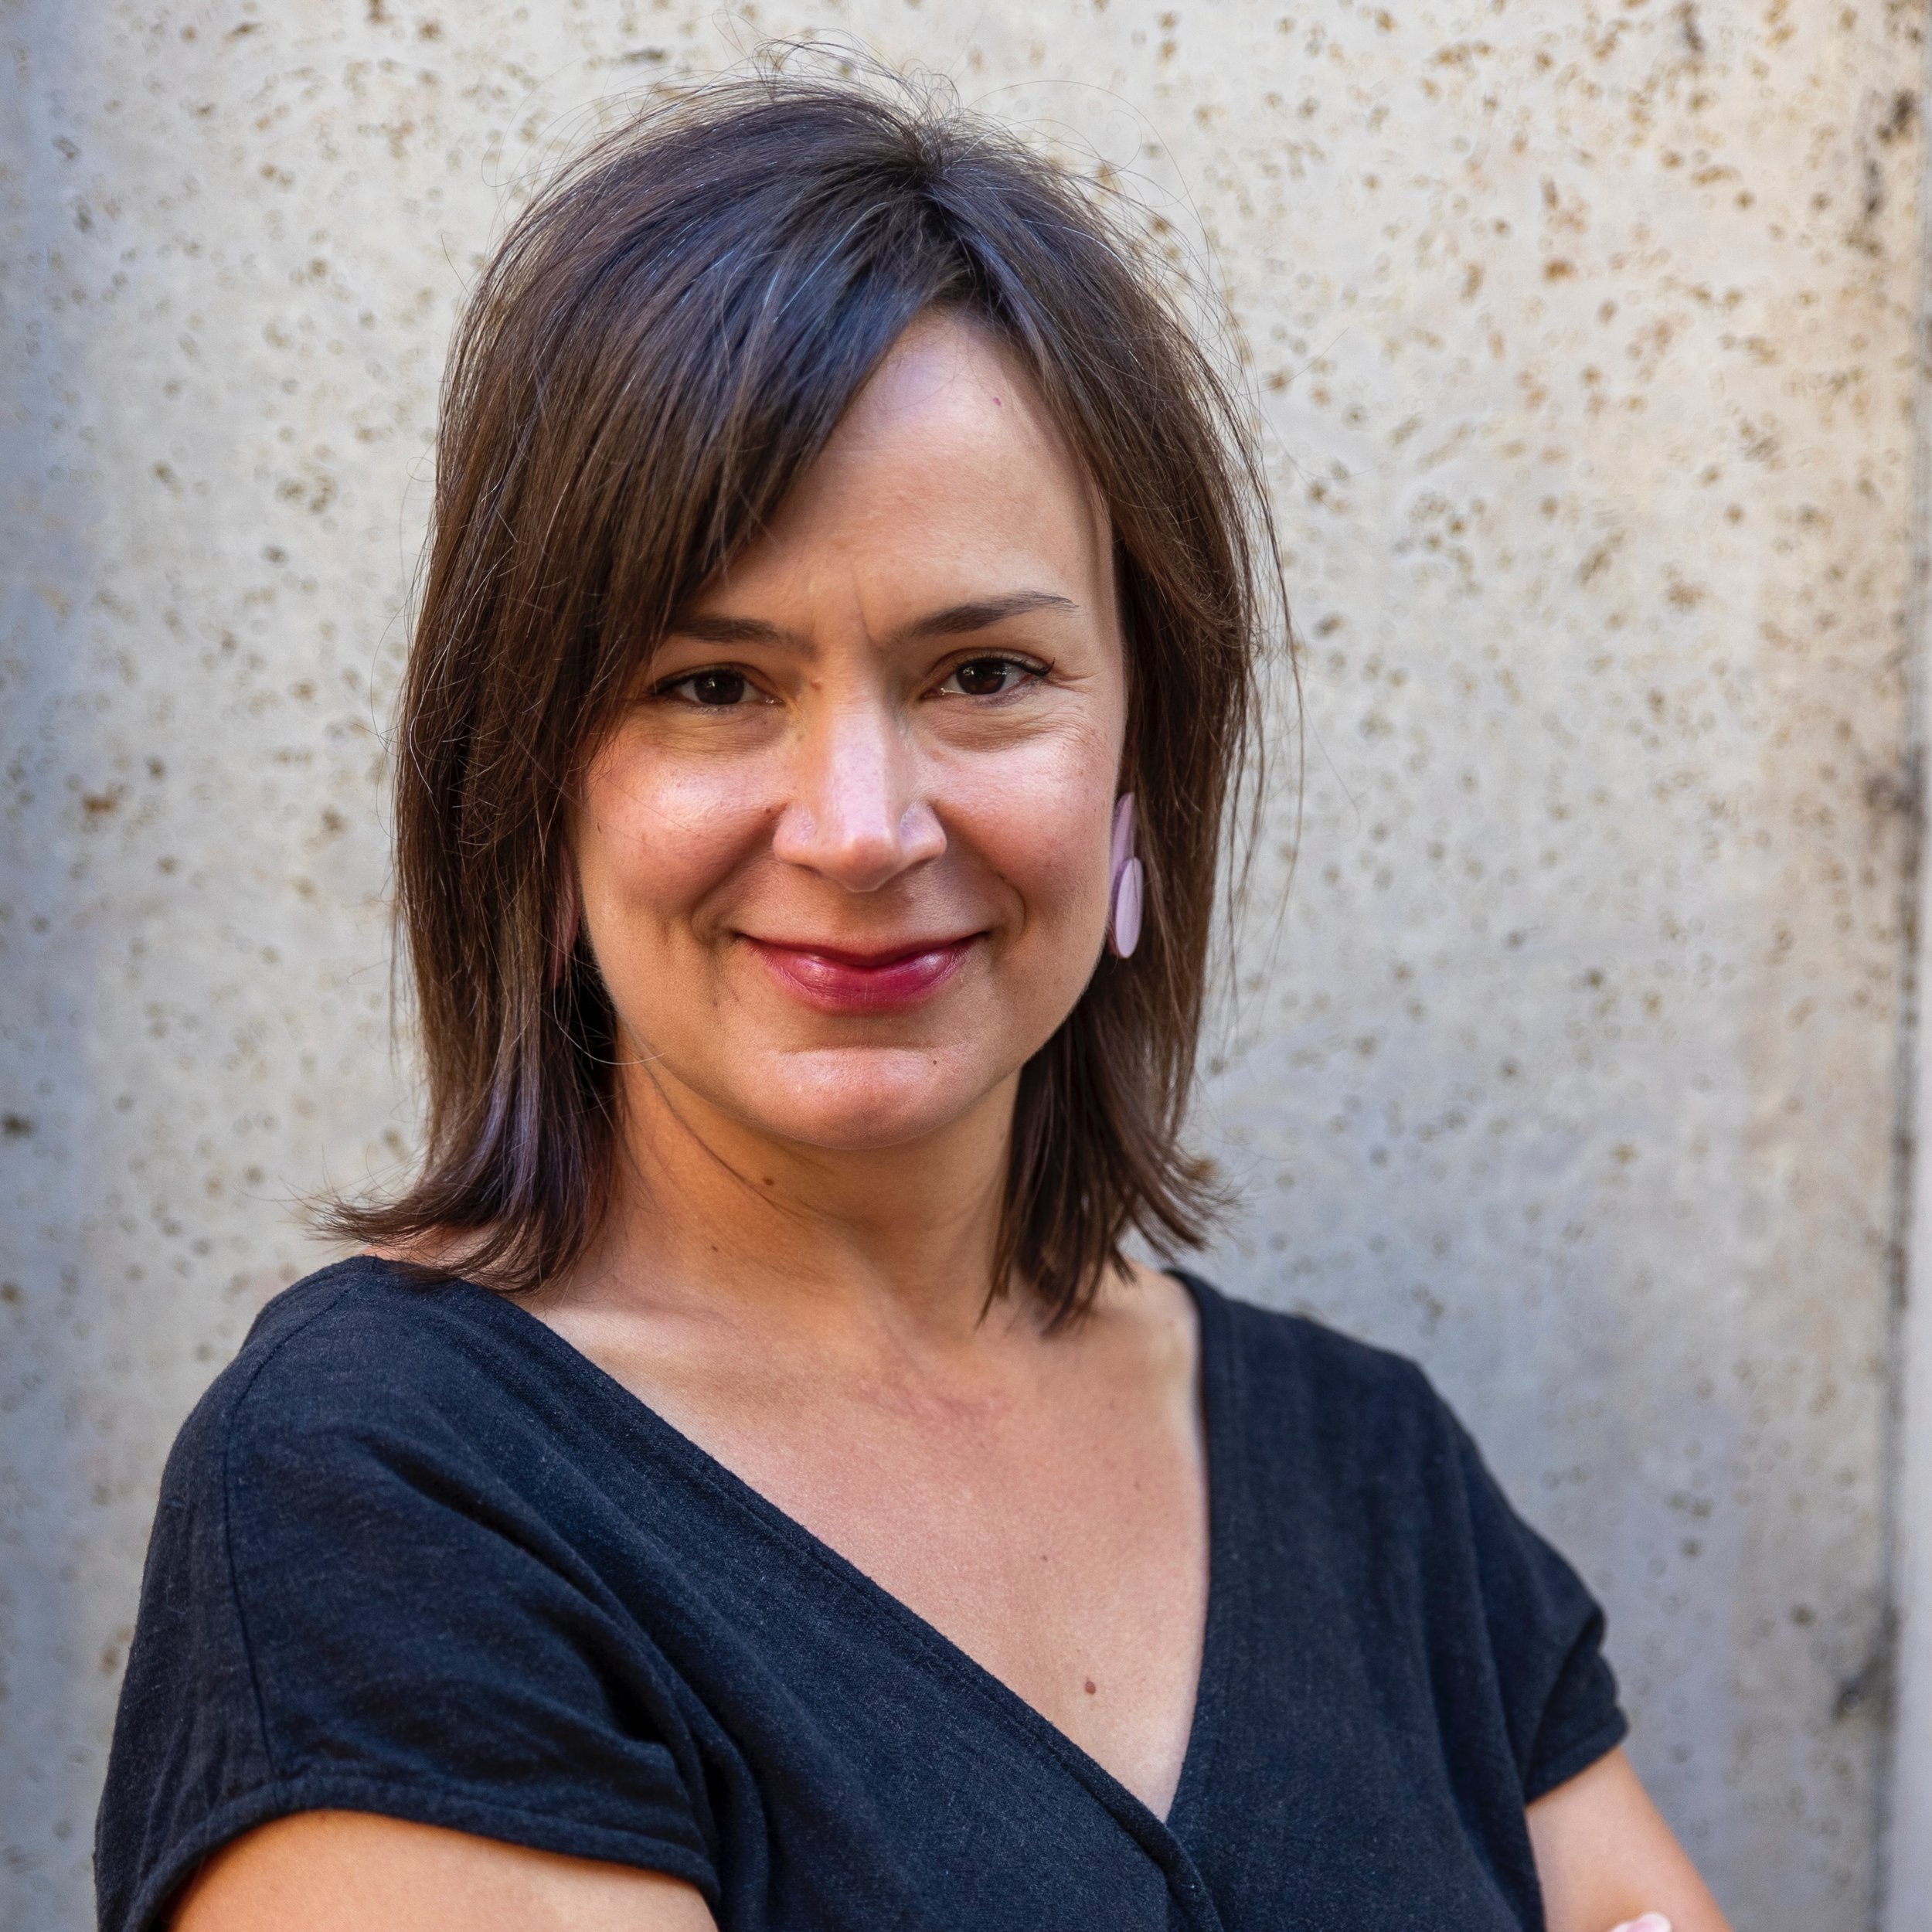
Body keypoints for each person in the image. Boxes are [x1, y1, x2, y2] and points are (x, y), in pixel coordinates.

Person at [95, 71, 1733, 1932]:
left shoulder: (1378, 1481)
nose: (861, 828)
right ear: (534, 774)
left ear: (1141, 758)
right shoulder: (394, 1493)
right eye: (712, 685)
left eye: (980, 670)